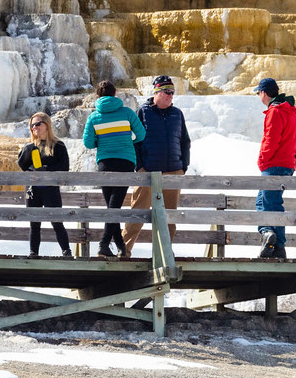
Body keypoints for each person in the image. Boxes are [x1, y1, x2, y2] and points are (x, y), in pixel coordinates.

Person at [123, 76, 191, 251]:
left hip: (173, 172)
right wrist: (140, 167)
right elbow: (133, 141)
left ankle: (164, 254)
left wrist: (183, 166)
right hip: (148, 172)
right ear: (157, 92)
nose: (171, 95)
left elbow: (185, 141)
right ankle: (124, 252)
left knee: (169, 217)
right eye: (167, 92)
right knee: (137, 213)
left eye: (173, 92)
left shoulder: (177, 114)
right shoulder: (142, 112)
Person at [81, 82, 145, 257]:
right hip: (126, 161)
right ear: (115, 93)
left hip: (105, 162)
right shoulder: (127, 113)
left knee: (112, 205)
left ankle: (111, 245)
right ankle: (112, 245)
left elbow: (88, 143)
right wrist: (127, 142)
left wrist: (102, 142)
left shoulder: (94, 117)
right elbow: (141, 134)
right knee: (114, 206)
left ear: (97, 96)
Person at [253, 77, 296, 259]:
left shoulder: (275, 111)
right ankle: (274, 243)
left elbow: (271, 140)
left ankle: (272, 237)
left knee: (271, 203)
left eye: (259, 93)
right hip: (287, 164)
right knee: (263, 201)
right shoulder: (290, 111)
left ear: (264, 93)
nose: (259, 96)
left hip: (274, 164)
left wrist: (262, 161)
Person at [19, 111, 71, 257]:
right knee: (34, 224)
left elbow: (64, 167)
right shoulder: (30, 147)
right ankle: (33, 253)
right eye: (32, 125)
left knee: (56, 221)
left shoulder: (58, 146)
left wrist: (47, 170)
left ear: (47, 125)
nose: (34, 128)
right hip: (32, 189)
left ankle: (66, 252)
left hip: (50, 189)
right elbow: (22, 166)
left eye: (37, 124)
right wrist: (25, 151)